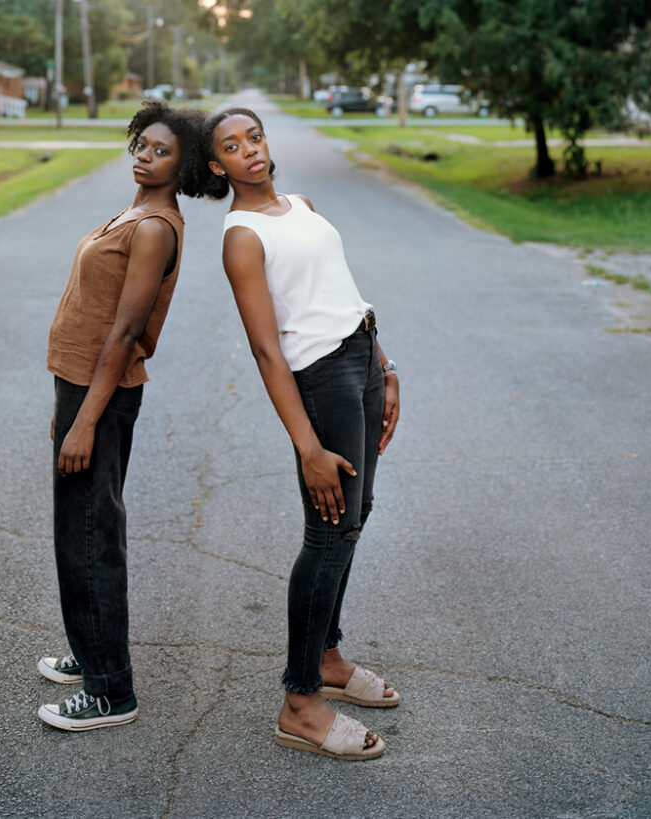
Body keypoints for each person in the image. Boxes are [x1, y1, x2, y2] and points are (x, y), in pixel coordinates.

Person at [198, 107, 401, 760]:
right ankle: (300, 701)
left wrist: (387, 368)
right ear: (215, 165)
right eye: (231, 146)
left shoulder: (301, 203)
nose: (249, 151)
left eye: (253, 137)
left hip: (362, 359)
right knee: (331, 529)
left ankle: (330, 656)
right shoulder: (241, 236)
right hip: (321, 379)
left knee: (358, 511)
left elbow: (342, 287)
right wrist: (307, 445)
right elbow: (266, 350)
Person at [37, 102, 205, 732]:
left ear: (183, 165)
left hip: (99, 393)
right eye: (141, 144)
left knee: (91, 536)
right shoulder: (135, 210)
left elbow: (125, 330)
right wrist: (70, 409)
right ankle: (90, 655)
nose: (144, 155)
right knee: (76, 528)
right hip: (80, 388)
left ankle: (111, 691)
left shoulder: (157, 225)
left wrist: (84, 421)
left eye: (161, 151)